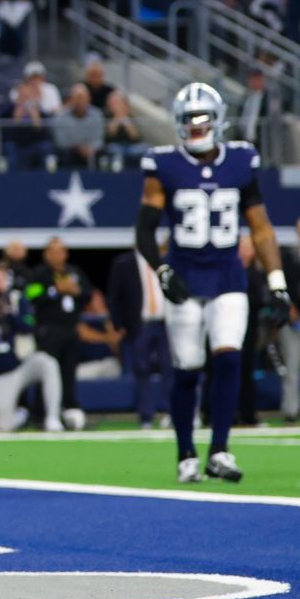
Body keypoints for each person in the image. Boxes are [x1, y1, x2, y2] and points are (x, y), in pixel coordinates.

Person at [137, 82, 290, 484]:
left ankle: (220, 449)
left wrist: (277, 282)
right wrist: (162, 270)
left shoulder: (240, 160)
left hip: (227, 276)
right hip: (185, 276)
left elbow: (260, 227)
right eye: (188, 119)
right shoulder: (164, 164)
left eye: (201, 118)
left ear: (218, 120)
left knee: (228, 357)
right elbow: (144, 230)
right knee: (188, 368)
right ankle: (186, 453)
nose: (195, 126)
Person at [0, 261, 64, 432]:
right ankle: (19, 416)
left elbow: (29, 326)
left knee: (48, 364)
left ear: (7, 280)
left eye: (0, 279)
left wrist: (9, 313)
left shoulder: (17, 299)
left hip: (23, 363)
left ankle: (53, 417)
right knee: (3, 427)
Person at [23, 237, 95, 430]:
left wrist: (75, 291)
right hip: (49, 330)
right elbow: (32, 295)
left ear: (66, 254)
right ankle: (40, 414)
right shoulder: (39, 274)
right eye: (53, 251)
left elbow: (88, 293)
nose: (57, 255)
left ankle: (69, 413)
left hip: (71, 329)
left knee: (69, 372)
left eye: (60, 251)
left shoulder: (74, 272)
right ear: (46, 254)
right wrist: (56, 290)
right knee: (47, 371)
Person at [107, 246, 173, 428]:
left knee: (169, 367)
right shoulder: (124, 264)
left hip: (165, 324)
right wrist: (118, 324)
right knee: (141, 369)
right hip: (140, 325)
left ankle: (172, 412)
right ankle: (146, 416)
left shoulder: (166, 261)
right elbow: (114, 296)